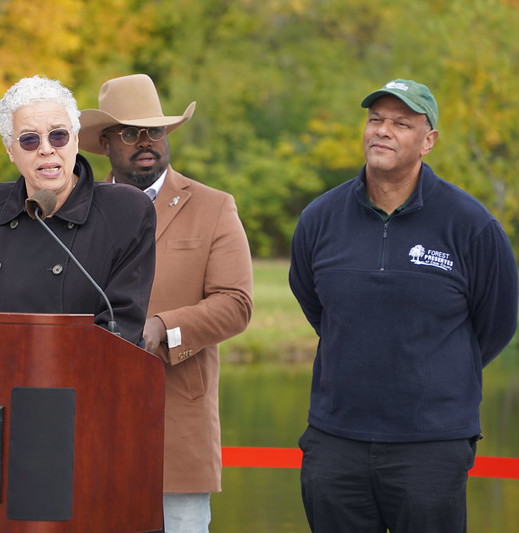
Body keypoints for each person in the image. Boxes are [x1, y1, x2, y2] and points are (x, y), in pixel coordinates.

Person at [289, 79, 519, 533]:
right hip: (336, 441)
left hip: (431, 445)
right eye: (375, 120)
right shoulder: (320, 218)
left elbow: (496, 323)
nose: (383, 131)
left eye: (401, 123)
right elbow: (316, 305)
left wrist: (436, 372)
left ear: (428, 140)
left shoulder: (471, 225)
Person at [79, 74, 253, 533]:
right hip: (88, 421)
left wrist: (161, 328)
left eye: (154, 131)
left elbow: (236, 303)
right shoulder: (76, 209)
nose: (145, 142)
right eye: (131, 132)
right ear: (105, 142)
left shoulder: (214, 206)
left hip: (177, 420)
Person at [0, 75, 156, 345]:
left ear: (75, 140)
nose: (46, 149)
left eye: (58, 135)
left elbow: (121, 329)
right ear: (10, 150)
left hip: (78, 383)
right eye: (29, 140)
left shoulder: (124, 210)